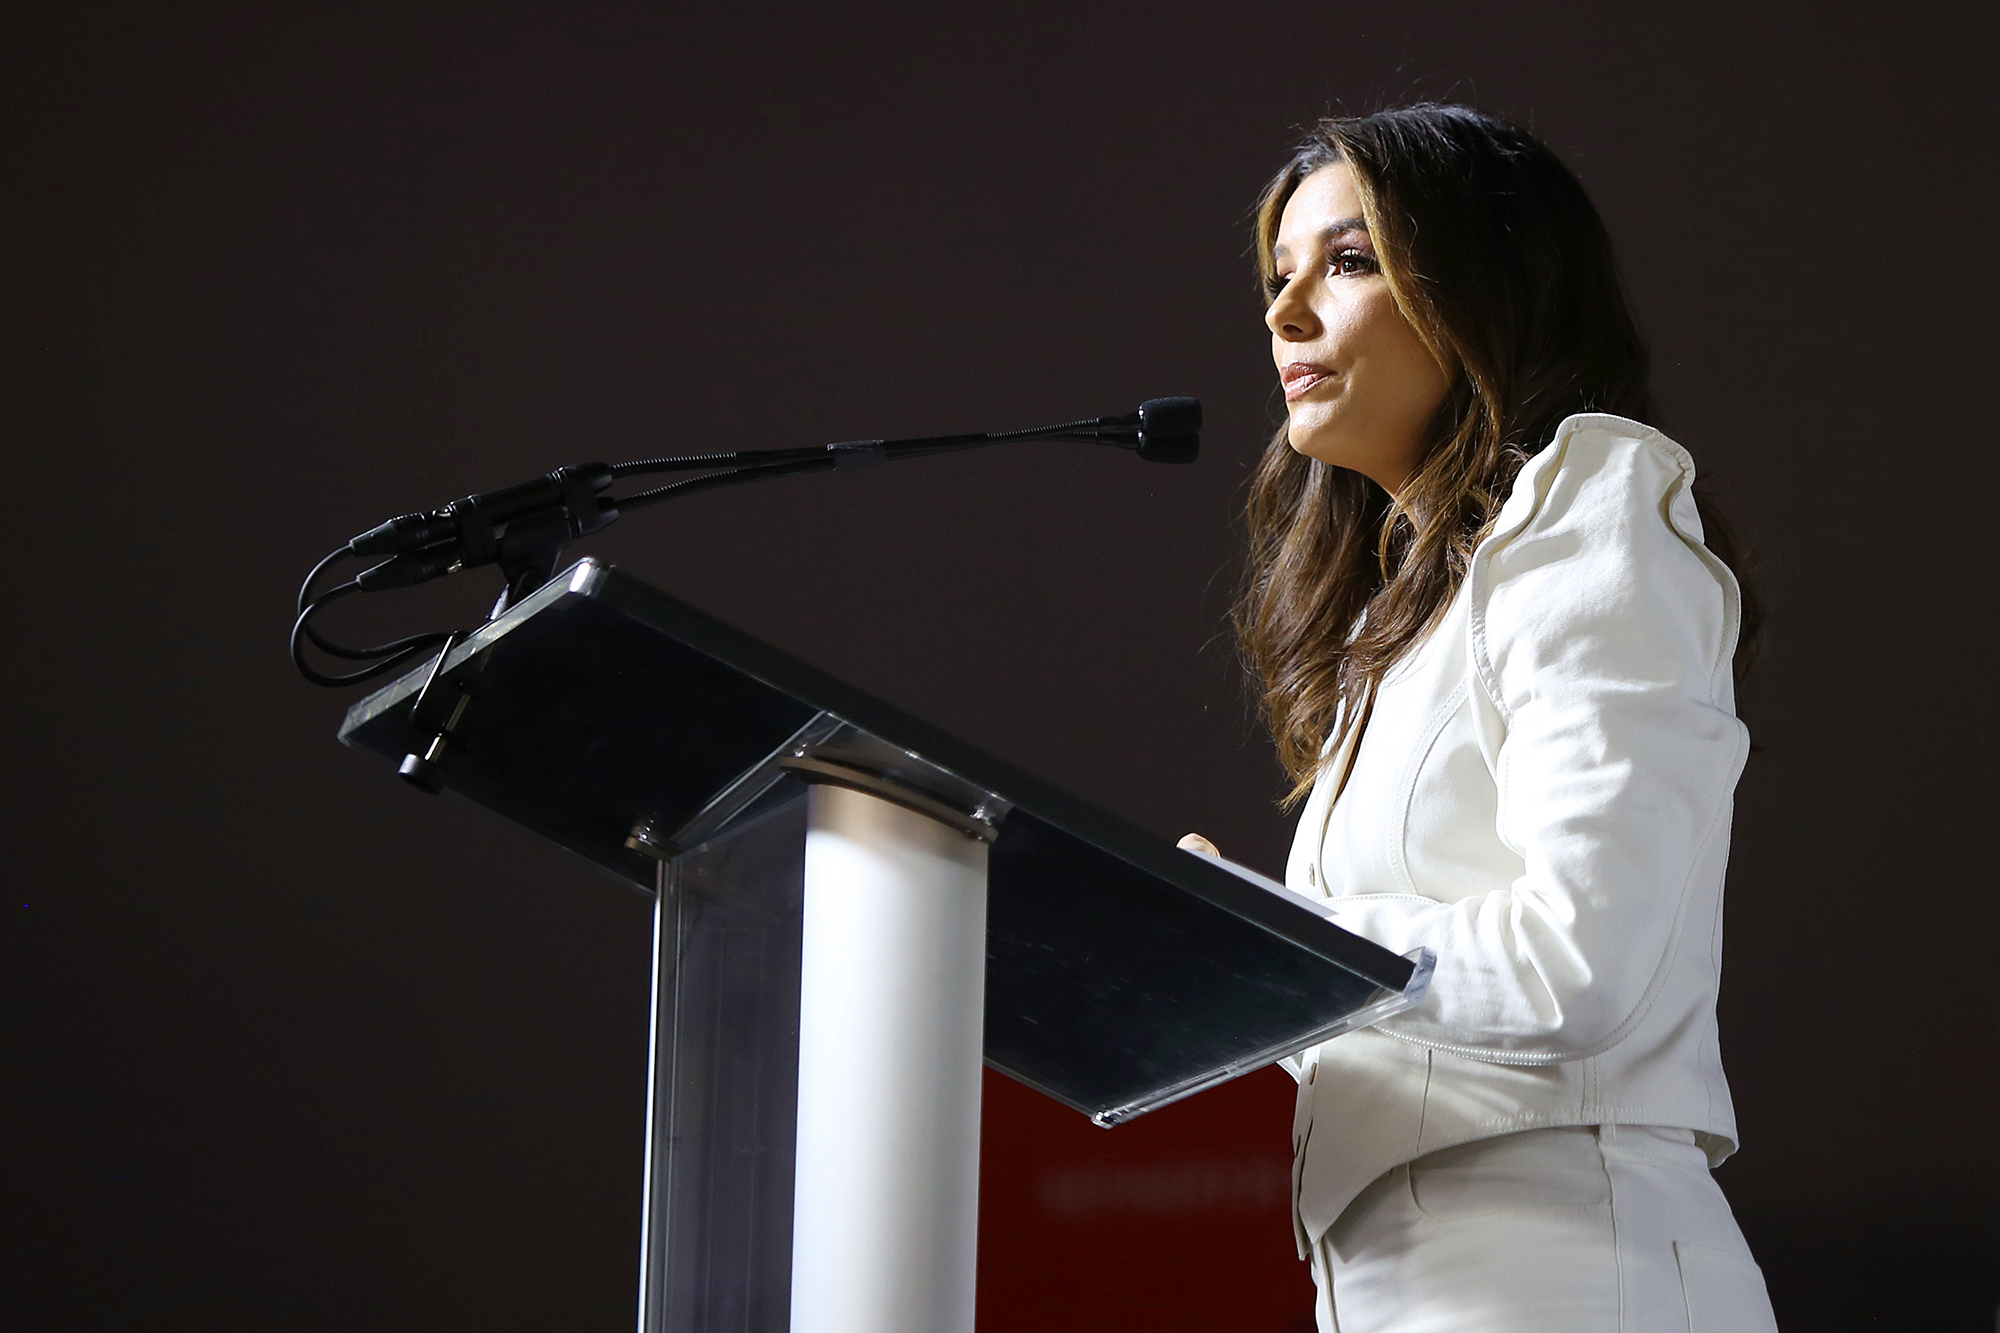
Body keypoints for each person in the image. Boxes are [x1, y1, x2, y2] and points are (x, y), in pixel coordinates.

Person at [1178, 105, 1780, 1332]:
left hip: (1559, 1267)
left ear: (1480, 290)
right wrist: (1192, 955)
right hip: (1415, 1284)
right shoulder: (1398, 626)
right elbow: (1407, 1031)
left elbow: (1577, 963)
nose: (1283, 312)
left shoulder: (1590, 511)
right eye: (1276, 275)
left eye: (1346, 263)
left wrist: (1273, 932)